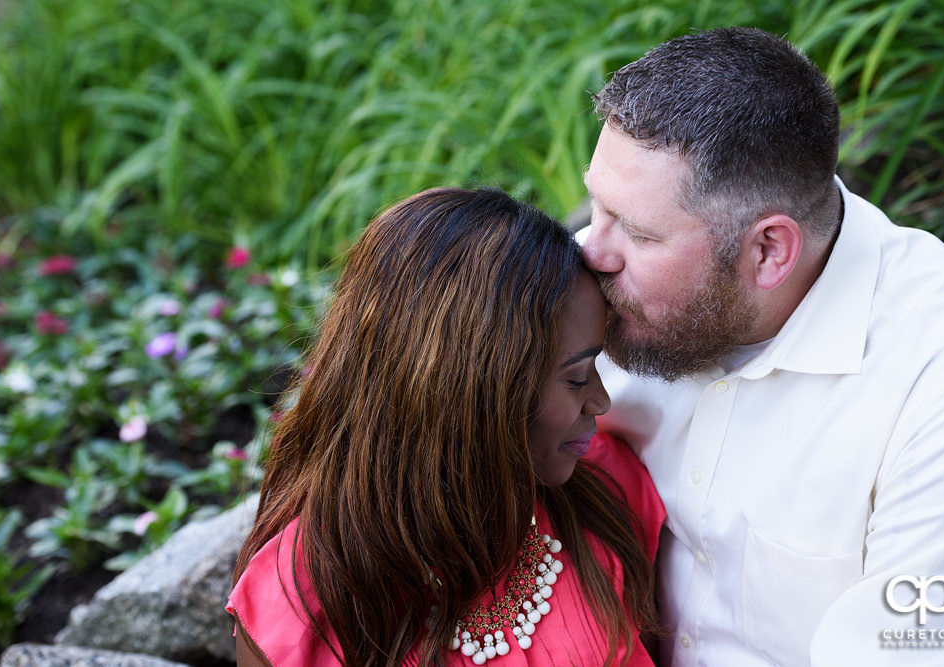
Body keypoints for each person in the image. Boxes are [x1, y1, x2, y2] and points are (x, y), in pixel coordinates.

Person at [579, 26, 944, 666]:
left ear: (768, 250)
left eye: (637, 233)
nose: (591, 252)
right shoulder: (611, 293)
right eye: (597, 206)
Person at [227, 187, 666, 666]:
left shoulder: (603, 495)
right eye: (577, 378)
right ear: (471, 395)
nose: (601, 400)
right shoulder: (303, 605)